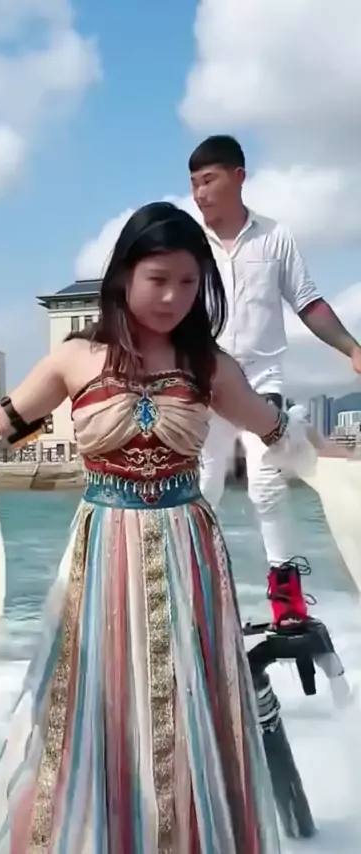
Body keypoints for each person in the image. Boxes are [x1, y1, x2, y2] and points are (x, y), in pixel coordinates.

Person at [0, 202, 328, 853]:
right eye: (158, 279)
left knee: (187, 701)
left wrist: (339, 465)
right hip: (103, 551)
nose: (173, 296)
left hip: (189, 553)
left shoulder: (209, 366)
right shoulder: (76, 358)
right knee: (96, 701)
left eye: (188, 281)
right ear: (124, 276)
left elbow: (281, 435)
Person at [188, 134, 361, 625]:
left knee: (266, 481)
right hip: (206, 381)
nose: (199, 193)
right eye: (194, 183)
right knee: (203, 486)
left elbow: (308, 302)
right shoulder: (189, 243)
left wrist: (352, 348)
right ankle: (192, 587)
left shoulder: (274, 236)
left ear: (238, 177)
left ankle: (286, 599)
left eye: (208, 180)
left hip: (261, 381)